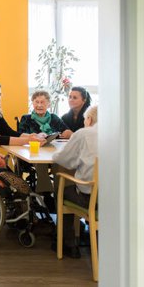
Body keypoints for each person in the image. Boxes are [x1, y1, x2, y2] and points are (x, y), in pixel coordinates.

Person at [52, 105, 98, 259]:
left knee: (62, 189)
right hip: (118, 201)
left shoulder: (85, 133)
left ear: (89, 119)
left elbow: (64, 160)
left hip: (91, 200)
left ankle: (68, 243)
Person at [18, 90, 72, 198]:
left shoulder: (54, 118)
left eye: (42, 102)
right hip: (33, 152)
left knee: (61, 162)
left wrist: (67, 133)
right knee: (40, 162)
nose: (39, 105)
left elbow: (67, 131)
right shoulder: (26, 118)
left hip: (53, 152)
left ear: (48, 104)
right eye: (36, 102)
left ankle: (60, 193)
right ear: (32, 103)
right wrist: (35, 137)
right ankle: (46, 194)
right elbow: (20, 135)